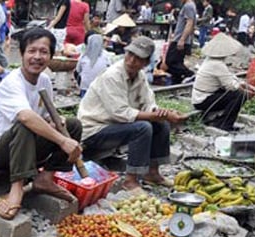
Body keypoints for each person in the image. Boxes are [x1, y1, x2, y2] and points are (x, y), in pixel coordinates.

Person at [0, 28, 83, 219]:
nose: (37, 57)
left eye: (43, 52)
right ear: (22, 54)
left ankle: (45, 178)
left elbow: (45, 117)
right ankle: (16, 188)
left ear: (51, 56)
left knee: (73, 125)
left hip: (23, 148)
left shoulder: (44, 80)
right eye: (32, 51)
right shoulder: (12, 82)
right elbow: (26, 117)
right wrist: (62, 141)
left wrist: (55, 122)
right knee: (25, 123)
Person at [77, 36, 187, 193]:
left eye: (138, 58)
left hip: (114, 126)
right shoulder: (113, 75)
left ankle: (152, 172)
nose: (131, 60)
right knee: (143, 128)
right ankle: (130, 180)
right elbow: (120, 113)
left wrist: (162, 113)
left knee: (160, 123)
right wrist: (156, 115)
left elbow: (148, 102)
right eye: (130, 55)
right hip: (94, 130)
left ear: (146, 63)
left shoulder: (139, 76)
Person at [192, 33, 254, 131]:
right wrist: (243, 88)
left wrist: (241, 83)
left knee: (236, 93)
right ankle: (224, 124)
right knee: (239, 95)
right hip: (203, 100)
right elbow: (231, 86)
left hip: (200, 97)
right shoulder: (217, 65)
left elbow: (228, 76)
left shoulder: (210, 60)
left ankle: (221, 120)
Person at [164, 0, 196, 84]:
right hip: (178, 38)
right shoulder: (187, 5)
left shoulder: (188, 6)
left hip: (180, 40)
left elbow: (190, 23)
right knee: (178, 62)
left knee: (170, 62)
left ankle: (190, 74)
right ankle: (176, 83)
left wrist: (182, 39)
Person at [75, 33, 111, 97]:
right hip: (101, 88)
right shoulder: (106, 56)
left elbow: (77, 71)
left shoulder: (83, 56)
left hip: (85, 88)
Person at [0, 0, 11, 68]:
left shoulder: (0, 8)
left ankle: (6, 68)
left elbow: (2, 23)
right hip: (1, 33)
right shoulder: (2, 6)